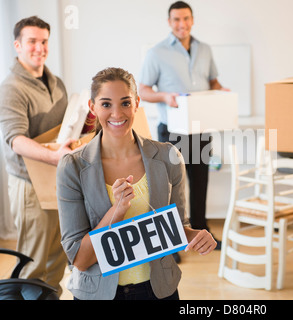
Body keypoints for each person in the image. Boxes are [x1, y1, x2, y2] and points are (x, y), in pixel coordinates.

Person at [56, 67, 217, 300]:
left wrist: (195, 237)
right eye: (106, 104)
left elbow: (176, 229)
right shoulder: (72, 167)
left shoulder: (167, 157)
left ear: (137, 103)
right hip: (99, 294)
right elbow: (80, 259)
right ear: (92, 108)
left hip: (157, 290)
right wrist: (117, 210)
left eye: (124, 103)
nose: (117, 114)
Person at [139, 1, 226, 256]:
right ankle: (172, 241)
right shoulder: (156, 53)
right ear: (169, 22)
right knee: (170, 186)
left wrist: (223, 92)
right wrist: (165, 97)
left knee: (201, 181)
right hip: (172, 131)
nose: (182, 24)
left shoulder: (205, 50)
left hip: (201, 128)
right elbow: (143, 90)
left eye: (186, 19)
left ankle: (201, 231)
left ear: (192, 20)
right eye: (176, 19)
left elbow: (214, 82)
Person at [0, 16, 73, 297]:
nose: (39, 48)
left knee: (57, 254)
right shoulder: (11, 88)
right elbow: (16, 141)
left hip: (55, 179)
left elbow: (65, 126)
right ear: (18, 45)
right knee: (33, 262)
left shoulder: (56, 83)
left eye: (44, 41)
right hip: (29, 185)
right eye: (32, 41)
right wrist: (56, 158)